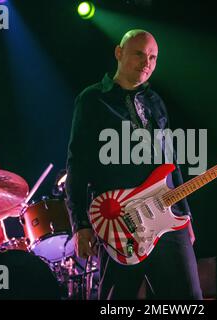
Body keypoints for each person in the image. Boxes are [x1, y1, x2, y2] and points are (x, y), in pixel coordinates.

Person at [65, 29, 202, 299]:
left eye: (153, 57)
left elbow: (171, 162)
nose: (147, 62)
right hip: (119, 219)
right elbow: (77, 164)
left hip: (166, 217)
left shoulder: (155, 102)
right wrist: (80, 223)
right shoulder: (92, 100)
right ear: (119, 53)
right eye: (139, 53)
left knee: (187, 300)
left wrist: (184, 215)